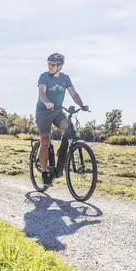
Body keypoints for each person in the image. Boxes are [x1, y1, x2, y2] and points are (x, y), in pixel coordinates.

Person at [36, 52, 88, 186]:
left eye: (53, 64)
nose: (50, 66)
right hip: (43, 112)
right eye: (49, 64)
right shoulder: (44, 76)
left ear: (60, 66)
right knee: (45, 140)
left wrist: (81, 105)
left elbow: (73, 93)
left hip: (57, 112)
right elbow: (41, 92)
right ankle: (44, 172)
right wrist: (47, 102)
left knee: (69, 129)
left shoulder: (65, 78)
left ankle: (61, 156)